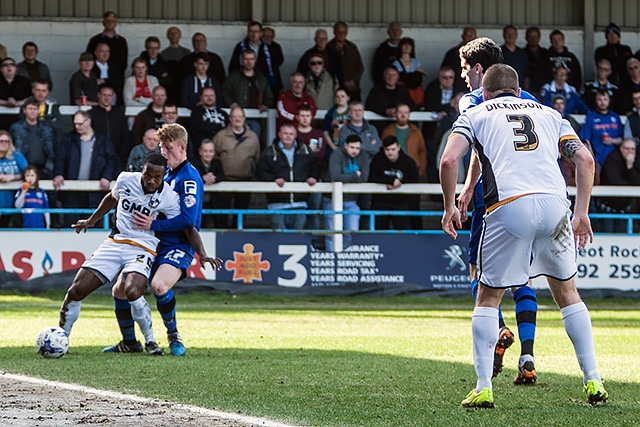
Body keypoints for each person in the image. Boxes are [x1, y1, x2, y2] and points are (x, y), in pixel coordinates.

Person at [441, 63, 607, 408]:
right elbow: (586, 161)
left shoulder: (476, 112)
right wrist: (582, 213)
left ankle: (484, 386)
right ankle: (593, 380)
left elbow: (448, 161)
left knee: (488, 297)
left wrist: (449, 207)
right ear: (519, 92)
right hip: (554, 206)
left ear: (484, 92)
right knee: (568, 293)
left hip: (509, 206)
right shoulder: (551, 114)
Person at [456, 37, 540, 384]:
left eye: (464, 69)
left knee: (480, 271)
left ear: (478, 69)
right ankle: (528, 355)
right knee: (524, 275)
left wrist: (465, 187)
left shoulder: (472, 101)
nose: (463, 76)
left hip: (492, 200)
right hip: (535, 196)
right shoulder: (530, 100)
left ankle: (500, 329)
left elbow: (475, 143)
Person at [58, 154, 177, 354]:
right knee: (76, 291)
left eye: (157, 177)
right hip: (115, 242)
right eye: (148, 175)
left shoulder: (169, 197)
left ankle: (150, 342)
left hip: (143, 247)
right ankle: (60, 339)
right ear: (142, 170)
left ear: (164, 176)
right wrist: (92, 220)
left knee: (132, 290)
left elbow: (180, 224)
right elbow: (112, 197)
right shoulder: (125, 179)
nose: (151, 180)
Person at [106, 124, 207, 356]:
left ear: (182, 147)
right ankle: (129, 343)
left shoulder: (188, 179)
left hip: (177, 244)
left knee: (159, 285)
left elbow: (187, 219)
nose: (164, 153)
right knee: (119, 290)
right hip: (151, 242)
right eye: (161, 147)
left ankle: (173, 335)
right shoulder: (164, 173)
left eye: (168, 148)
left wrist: (154, 224)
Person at [52, 110, 120, 227]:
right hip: (72, 193)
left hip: (95, 194)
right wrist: (59, 174)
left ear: (88, 121)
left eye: (80, 124)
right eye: (75, 124)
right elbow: (60, 158)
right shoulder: (68, 139)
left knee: (94, 225)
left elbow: (112, 160)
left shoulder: (103, 141)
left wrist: (106, 177)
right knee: (71, 224)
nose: (77, 127)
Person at [257, 123, 318, 230]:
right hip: (277, 204)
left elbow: (315, 168)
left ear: (295, 135)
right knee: (279, 239)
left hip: (300, 204)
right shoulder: (269, 152)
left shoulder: (306, 150)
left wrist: (313, 176)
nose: (288, 136)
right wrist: (273, 179)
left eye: (291, 134)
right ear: (279, 134)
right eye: (285, 133)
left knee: (296, 238)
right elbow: (260, 172)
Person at [212, 107, 261, 229]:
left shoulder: (253, 138)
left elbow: (257, 158)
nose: (237, 119)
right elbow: (213, 156)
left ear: (244, 118)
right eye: (234, 116)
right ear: (230, 119)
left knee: (242, 214)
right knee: (222, 214)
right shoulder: (221, 136)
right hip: (224, 181)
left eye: (240, 116)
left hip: (245, 180)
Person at [323, 134, 369, 251]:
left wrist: (346, 178)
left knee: (352, 233)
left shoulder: (363, 155)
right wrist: (355, 176)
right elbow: (335, 176)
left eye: (357, 148)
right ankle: (332, 260)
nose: (355, 151)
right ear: (346, 145)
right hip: (332, 200)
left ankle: (344, 260)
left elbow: (364, 177)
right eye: (352, 147)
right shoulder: (337, 154)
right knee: (331, 234)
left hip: (351, 201)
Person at [368, 135, 419, 230]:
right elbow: (371, 177)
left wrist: (400, 182)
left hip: (401, 202)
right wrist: (391, 181)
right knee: (379, 233)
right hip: (380, 202)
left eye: (393, 149)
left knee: (403, 233)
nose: (390, 152)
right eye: (387, 150)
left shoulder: (408, 162)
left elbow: (415, 181)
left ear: (398, 147)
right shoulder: (377, 160)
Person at [221, 49, 274, 137]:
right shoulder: (233, 77)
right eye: (246, 59)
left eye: (251, 59)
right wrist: (230, 103)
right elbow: (224, 92)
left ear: (255, 60)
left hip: (256, 119)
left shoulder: (261, 79)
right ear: (242, 60)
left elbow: (269, 97)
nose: (249, 62)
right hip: (237, 119)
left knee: (252, 145)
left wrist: (265, 105)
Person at [229, 21, 284, 100]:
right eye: (251, 31)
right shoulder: (240, 47)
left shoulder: (268, 48)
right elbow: (233, 66)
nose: (253, 34)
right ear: (248, 33)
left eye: (256, 31)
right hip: (244, 82)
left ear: (261, 33)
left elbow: (276, 65)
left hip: (264, 83)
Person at [598, 138, 640, 232]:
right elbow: (615, 181)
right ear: (621, 148)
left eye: (632, 149)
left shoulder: (636, 159)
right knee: (608, 234)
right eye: (627, 149)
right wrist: (631, 185)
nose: (630, 152)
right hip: (608, 205)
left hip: (625, 207)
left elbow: (638, 182)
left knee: (621, 233)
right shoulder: (612, 158)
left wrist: (630, 167)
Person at [423, 66, 458, 181]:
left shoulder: (459, 87)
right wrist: (450, 106)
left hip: (453, 129)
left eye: (450, 77)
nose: (447, 80)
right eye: (444, 77)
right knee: (433, 158)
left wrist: (445, 110)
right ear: (439, 78)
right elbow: (430, 106)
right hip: (433, 131)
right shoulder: (432, 87)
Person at [580, 89, 627, 173]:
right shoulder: (590, 117)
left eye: (605, 99)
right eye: (599, 99)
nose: (602, 102)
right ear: (596, 101)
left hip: (614, 159)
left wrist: (612, 141)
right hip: (597, 158)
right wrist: (592, 158)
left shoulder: (615, 117)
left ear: (609, 100)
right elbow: (586, 141)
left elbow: (623, 140)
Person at [9, 98, 56, 179]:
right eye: (30, 109)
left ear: (38, 111)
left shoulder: (47, 128)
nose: (33, 111)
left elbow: (53, 148)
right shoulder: (16, 127)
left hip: (44, 171)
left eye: (35, 109)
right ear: (24, 110)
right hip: (23, 170)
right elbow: (10, 149)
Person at [381, 103, 427, 181]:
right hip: (393, 170)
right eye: (400, 112)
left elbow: (422, 152)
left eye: (406, 112)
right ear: (395, 114)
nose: (403, 115)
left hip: (412, 170)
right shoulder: (388, 131)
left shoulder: (416, 131)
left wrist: (421, 171)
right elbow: (382, 150)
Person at [365, 66, 416, 133]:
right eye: (388, 74)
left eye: (393, 75)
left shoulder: (403, 91)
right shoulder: (376, 91)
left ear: (398, 77)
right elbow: (369, 106)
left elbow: (412, 106)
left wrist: (399, 110)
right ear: (384, 76)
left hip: (399, 128)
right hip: (380, 129)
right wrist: (385, 111)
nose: (391, 77)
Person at [89, 84, 129, 168]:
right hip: (97, 157)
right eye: (104, 95)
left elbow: (125, 135)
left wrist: (122, 154)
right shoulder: (92, 114)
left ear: (113, 96)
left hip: (117, 156)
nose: (107, 98)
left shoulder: (119, 113)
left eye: (109, 95)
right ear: (98, 95)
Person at [86, 11, 128, 85]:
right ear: (103, 23)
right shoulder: (95, 40)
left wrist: (115, 76)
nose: (110, 23)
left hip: (115, 78)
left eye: (112, 21)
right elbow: (89, 59)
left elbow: (124, 62)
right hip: (97, 78)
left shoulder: (122, 41)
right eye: (107, 21)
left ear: (116, 23)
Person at [191, 138, 225, 229]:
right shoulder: (193, 163)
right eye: (205, 151)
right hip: (197, 203)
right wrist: (202, 178)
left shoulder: (217, 163)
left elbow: (222, 175)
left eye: (210, 151)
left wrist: (214, 178)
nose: (208, 154)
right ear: (200, 152)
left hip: (214, 202)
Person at [189, 86, 229, 160]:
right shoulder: (196, 112)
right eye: (206, 96)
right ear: (201, 98)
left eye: (212, 95)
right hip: (203, 152)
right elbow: (201, 127)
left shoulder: (223, 113)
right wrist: (220, 125)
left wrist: (210, 127)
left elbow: (228, 129)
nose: (209, 98)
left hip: (221, 149)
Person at [328, 21, 364, 100]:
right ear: (334, 32)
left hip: (353, 88)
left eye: (344, 32)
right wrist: (342, 82)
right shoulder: (329, 47)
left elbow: (360, 67)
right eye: (339, 32)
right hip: (336, 89)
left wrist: (353, 81)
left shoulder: (352, 47)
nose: (341, 34)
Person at [0, 131, 27, 228]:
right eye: (1, 141)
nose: (4, 144)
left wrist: (12, 177)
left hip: (11, 200)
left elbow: (27, 173)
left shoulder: (16, 154)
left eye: (7, 141)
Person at [595, 22, 632, 87]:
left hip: (625, 83)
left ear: (618, 36)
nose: (612, 36)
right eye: (609, 34)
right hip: (607, 83)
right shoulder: (600, 51)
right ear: (606, 37)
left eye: (614, 33)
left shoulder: (626, 50)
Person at [441, 26, 477, 93]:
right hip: (455, 90)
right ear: (463, 36)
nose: (471, 38)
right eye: (468, 35)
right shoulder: (452, 54)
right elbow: (444, 72)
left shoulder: (480, 54)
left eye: (473, 35)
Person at [0, 57, 32, 130]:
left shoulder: (24, 81)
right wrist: (5, 103)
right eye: (5, 65)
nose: (9, 67)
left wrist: (18, 103)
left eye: (12, 65)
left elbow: (31, 97)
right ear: (1, 69)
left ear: (16, 68)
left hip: (20, 119)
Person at [392, 37, 425, 107]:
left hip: (416, 92)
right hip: (403, 90)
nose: (407, 47)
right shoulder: (396, 63)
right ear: (400, 47)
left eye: (409, 45)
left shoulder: (416, 62)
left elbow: (421, 76)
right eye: (404, 45)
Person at [371, 22, 403, 87]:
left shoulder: (406, 48)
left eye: (397, 30)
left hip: (403, 86)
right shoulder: (381, 50)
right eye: (392, 30)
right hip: (385, 87)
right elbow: (376, 70)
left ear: (401, 32)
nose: (395, 32)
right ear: (388, 32)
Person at [501, 25, 530, 91]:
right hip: (504, 89)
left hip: (520, 88)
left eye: (512, 34)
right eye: (508, 34)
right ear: (503, 35)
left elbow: (526, 74)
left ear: (516, 35)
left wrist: (526, 89)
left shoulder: (522, 53)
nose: (510, 36)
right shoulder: (499, 52)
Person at [322, 87, 350, 153]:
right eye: (337, 96)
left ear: (348, 97)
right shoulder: (330, 113)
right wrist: (333, 147)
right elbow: (325, 131)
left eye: (343, 96)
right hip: (333, 148)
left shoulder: (353, 112)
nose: (340, 98)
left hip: (350, 148)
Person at [524, 26, 547, 98]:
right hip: (528, 89)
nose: (533, 39)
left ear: (539, 38)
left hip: (544, 89)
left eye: (535, 36)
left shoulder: (545, 54)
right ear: (526, 38)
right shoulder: (522, 53)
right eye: (530, 37)